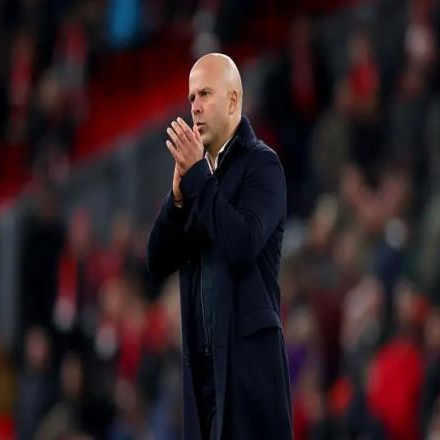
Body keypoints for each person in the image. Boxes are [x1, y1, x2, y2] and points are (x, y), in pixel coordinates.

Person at [148, 53, 293, 440]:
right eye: (191, 97)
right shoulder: (199, 179)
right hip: (202, 378)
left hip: (248, 375)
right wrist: (176, 200)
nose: (194, 106)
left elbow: (242, 244)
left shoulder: (263, 166)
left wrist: (197, 177)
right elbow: (157, 261)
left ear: (232, 101)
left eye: (205, 94)